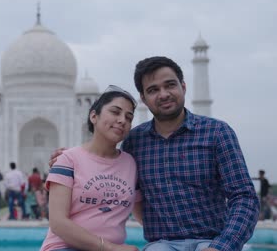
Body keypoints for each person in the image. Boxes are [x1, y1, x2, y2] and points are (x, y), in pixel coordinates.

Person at [50, 56, 260, 251]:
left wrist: (222, 246)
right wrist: (71, 158)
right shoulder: (135, 141)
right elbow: (104, 163)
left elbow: (244, 197)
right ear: (144, 98)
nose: (163, 94)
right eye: (153, 90)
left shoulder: (217, 133)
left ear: (183, 87)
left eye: (170, 85)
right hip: (163, 244)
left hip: (212, 240)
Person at [41, 87, 141, 251]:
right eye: (115, 112)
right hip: (65, 247)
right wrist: (110, 248)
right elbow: (58, 223)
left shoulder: (130, 163)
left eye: (128, 117)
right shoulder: (67, 160)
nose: (122, 120)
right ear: (93, 116)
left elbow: (140, 211)